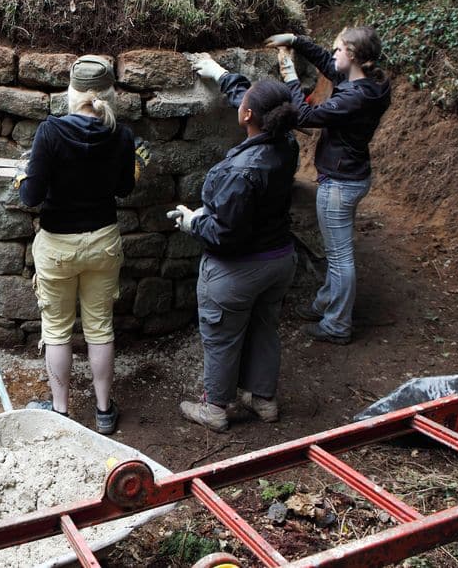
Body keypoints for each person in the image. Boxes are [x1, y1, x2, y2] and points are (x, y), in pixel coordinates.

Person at [170, 53, 300, 432]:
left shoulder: (240, 172)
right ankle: (264, 400)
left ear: (247, 116)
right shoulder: (286, 143)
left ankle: (215, 407)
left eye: (245, 102)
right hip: (280, 260)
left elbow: (223, 234)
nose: (241, 102)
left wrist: (193, 222)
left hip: (237, 270)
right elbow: (253, 99)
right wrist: (220, 74)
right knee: (263, 326)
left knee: (222, 337)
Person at [18, 55, 140, 435]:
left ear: (70, 93)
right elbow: (123, 188)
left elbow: (31, 196)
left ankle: (61, 410)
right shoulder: (121, 135)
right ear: (108, 95)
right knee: (100, 327)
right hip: (103, 240)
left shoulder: (50, 132)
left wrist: (23, 176)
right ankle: (104, 412)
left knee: (56, 329)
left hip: (57, 245)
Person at [265, 27, 391, 345]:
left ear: (351, 54)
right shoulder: (369, 83)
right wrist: (295, 41)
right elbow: (327, 62)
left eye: (337, 49)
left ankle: (336, 324)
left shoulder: (354, 97)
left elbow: (305, 115)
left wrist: (290, 76)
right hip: (352, 175)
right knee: (339, 252)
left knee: (339, 257)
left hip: (339, 183)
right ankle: (325, 304)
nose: (332, 54)